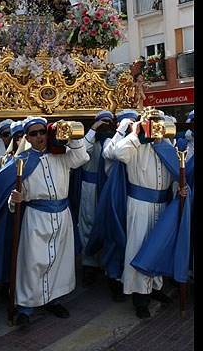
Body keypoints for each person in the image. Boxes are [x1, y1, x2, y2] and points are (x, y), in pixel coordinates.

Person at [97, 113, 188, 319]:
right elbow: (118, 153)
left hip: (162, 204)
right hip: (139, 205)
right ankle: (140, 298)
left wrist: (178, 190)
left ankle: (155, 287)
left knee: (159, 246)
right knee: (138, 247)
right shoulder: (136, 146)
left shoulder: (168, 147)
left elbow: (175, 175)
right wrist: (136, 134)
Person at [7, 116, 89, 325]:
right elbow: (13, 197)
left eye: (42, 132)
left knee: (59, 259)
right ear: (27, 137)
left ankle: (55, 299)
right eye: (34, 134)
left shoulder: (61, 156)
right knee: (33, 262)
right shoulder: (21, 161)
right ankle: (25, 306)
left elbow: (81, 157)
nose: (39, 137)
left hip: (62, 214)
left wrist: (71, 136)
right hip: (36, 217)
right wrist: (14, 199)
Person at [77, 110, 115, 285]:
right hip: (90, 186)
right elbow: (82, 151)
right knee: (88, 223)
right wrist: (93, 131)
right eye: (103, 122)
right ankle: (89, 265)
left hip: (108, 187)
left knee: (108, 224)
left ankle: (106, 264)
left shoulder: (113, 141)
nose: (105, 125)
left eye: (109, 122)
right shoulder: (89, 139)